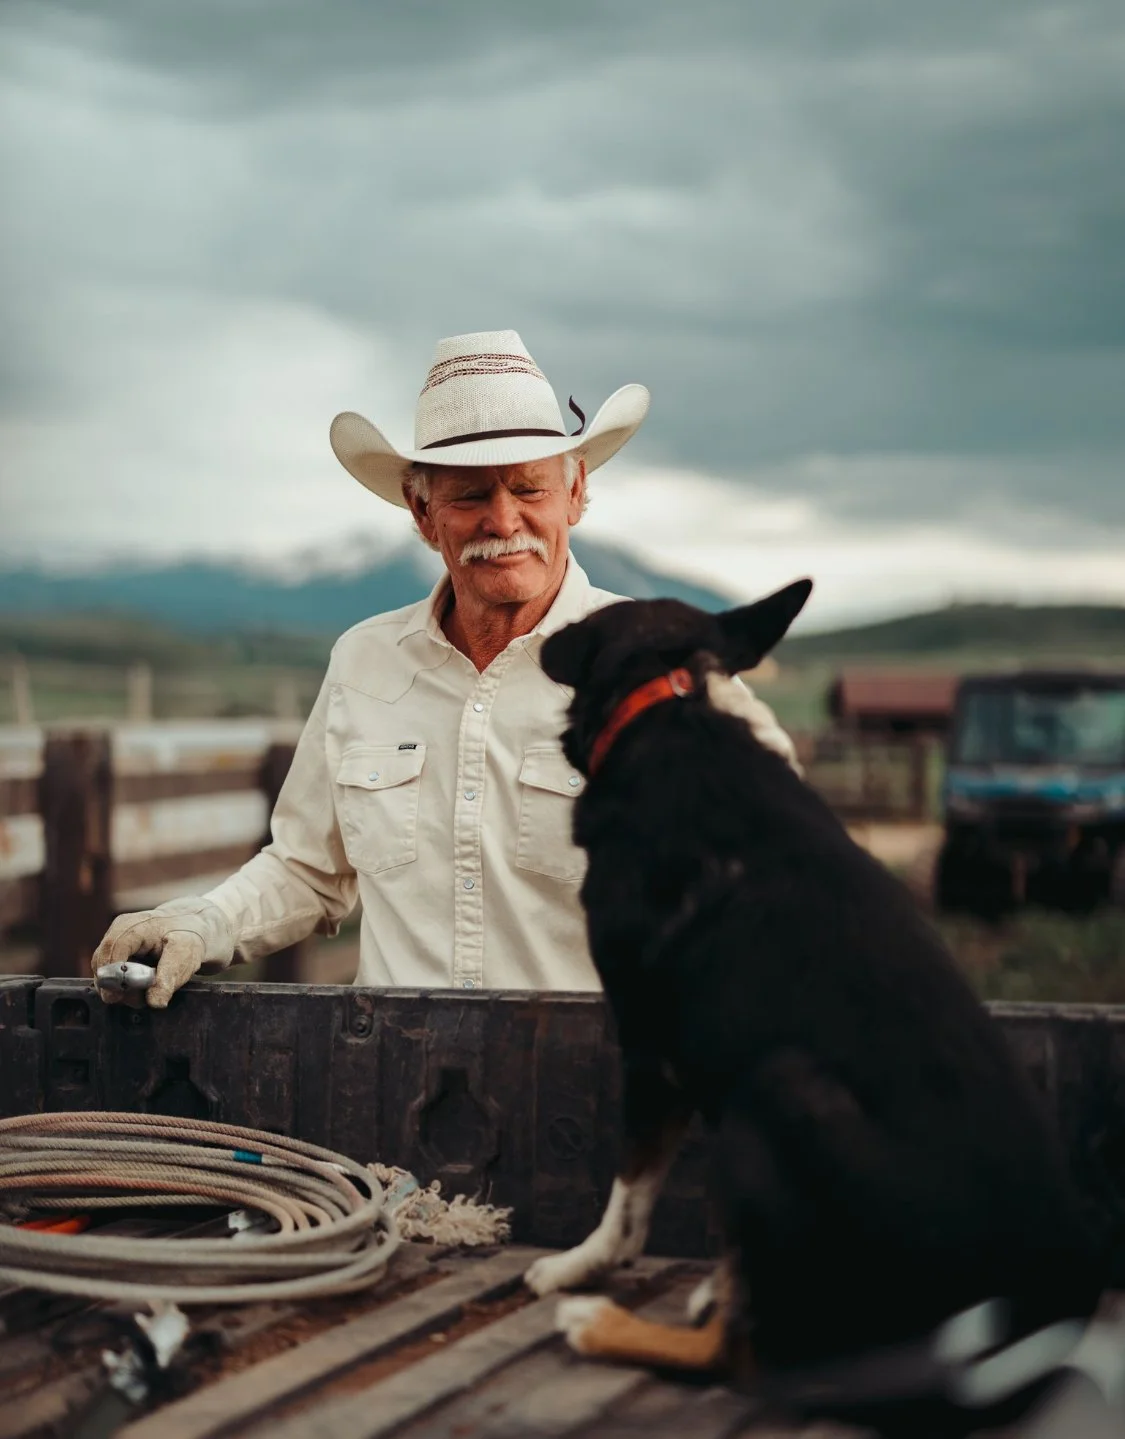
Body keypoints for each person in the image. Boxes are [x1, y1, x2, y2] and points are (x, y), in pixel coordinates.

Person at [91, 330, 797, 1006]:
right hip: (393, 1083)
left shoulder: (660, 665)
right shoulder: (364, 660)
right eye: (469, 495)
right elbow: (308, 867)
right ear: (422, 512)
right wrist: (203, 921)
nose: (502, 519)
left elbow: (779, 861)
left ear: (575, 491)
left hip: (591, 1090)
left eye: (529, 489)